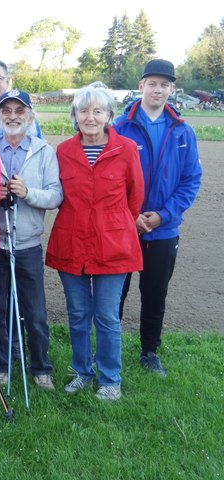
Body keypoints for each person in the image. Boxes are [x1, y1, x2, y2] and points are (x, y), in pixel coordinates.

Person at [45, 84, 144, 401]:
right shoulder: (63, 151)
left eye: (97, 111)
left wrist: (115, 225)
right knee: (77, 314)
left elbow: (135, 197)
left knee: (106, 316)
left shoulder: (126, 149)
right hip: (71, 240)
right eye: (84, 111)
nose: (90, 117)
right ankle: (81, 371)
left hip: (112, 245)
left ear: (109, 116)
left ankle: (110, 378)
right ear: (75, 115)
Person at [114, 59, 202, 377]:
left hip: (163, 232)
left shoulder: (182, 132)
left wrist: (163, 216)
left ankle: (149, 351)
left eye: (164, 84)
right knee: (115, 293)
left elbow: (191, 180)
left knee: (155, 295)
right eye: (152, 83)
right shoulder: (119, 128)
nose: (158, 89)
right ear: (141, 85)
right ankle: (109, 350)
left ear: (172, 89)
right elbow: (111, 181)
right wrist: (131, 216)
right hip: (124, 229)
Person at [0, 90, 63, 389]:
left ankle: (41, 368)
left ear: (29, 115)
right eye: (7, 111)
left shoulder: (43, 151)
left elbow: (55, 195)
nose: (13, 116)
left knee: (35, 312)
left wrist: (28, 193)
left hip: (26, 245)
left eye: (19, 110)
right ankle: (0, 365)